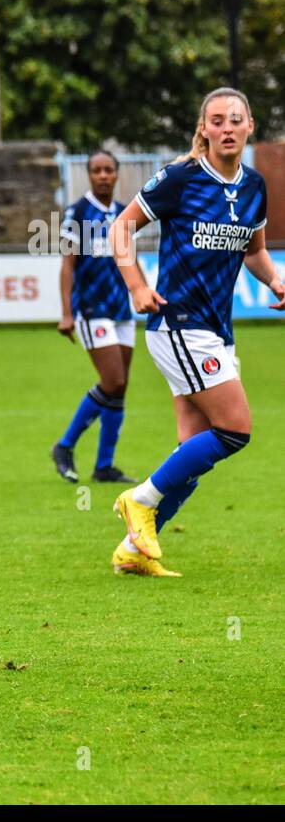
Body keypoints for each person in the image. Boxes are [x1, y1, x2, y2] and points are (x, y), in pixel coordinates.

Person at [108, 87, 284, 577]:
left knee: (194, 449)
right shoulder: (180, 178)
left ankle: (133, 551)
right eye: (217, 120)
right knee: (235, 430)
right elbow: (120, 228)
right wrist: (136, 286)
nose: (227, 128)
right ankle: (139, 500)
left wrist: (275, 280)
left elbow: (253, 251)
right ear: (203, 129)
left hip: (216, 331)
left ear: (250, 127)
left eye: (236, 119)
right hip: (179, 324)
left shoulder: (254, 186)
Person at [51, 150, 136, 484]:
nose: (103, 175)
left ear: (116, 174)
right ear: (89, 175)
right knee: (112, 381)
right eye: (97, 170)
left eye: (108, 170)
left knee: (120, 388)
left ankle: (104, 466)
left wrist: (144, 292)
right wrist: (66, 313)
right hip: (91, 309)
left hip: (121, 309)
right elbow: (68, 265)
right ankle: (64, 445)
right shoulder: (79, 212)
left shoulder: (125, 213)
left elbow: (130, 260)